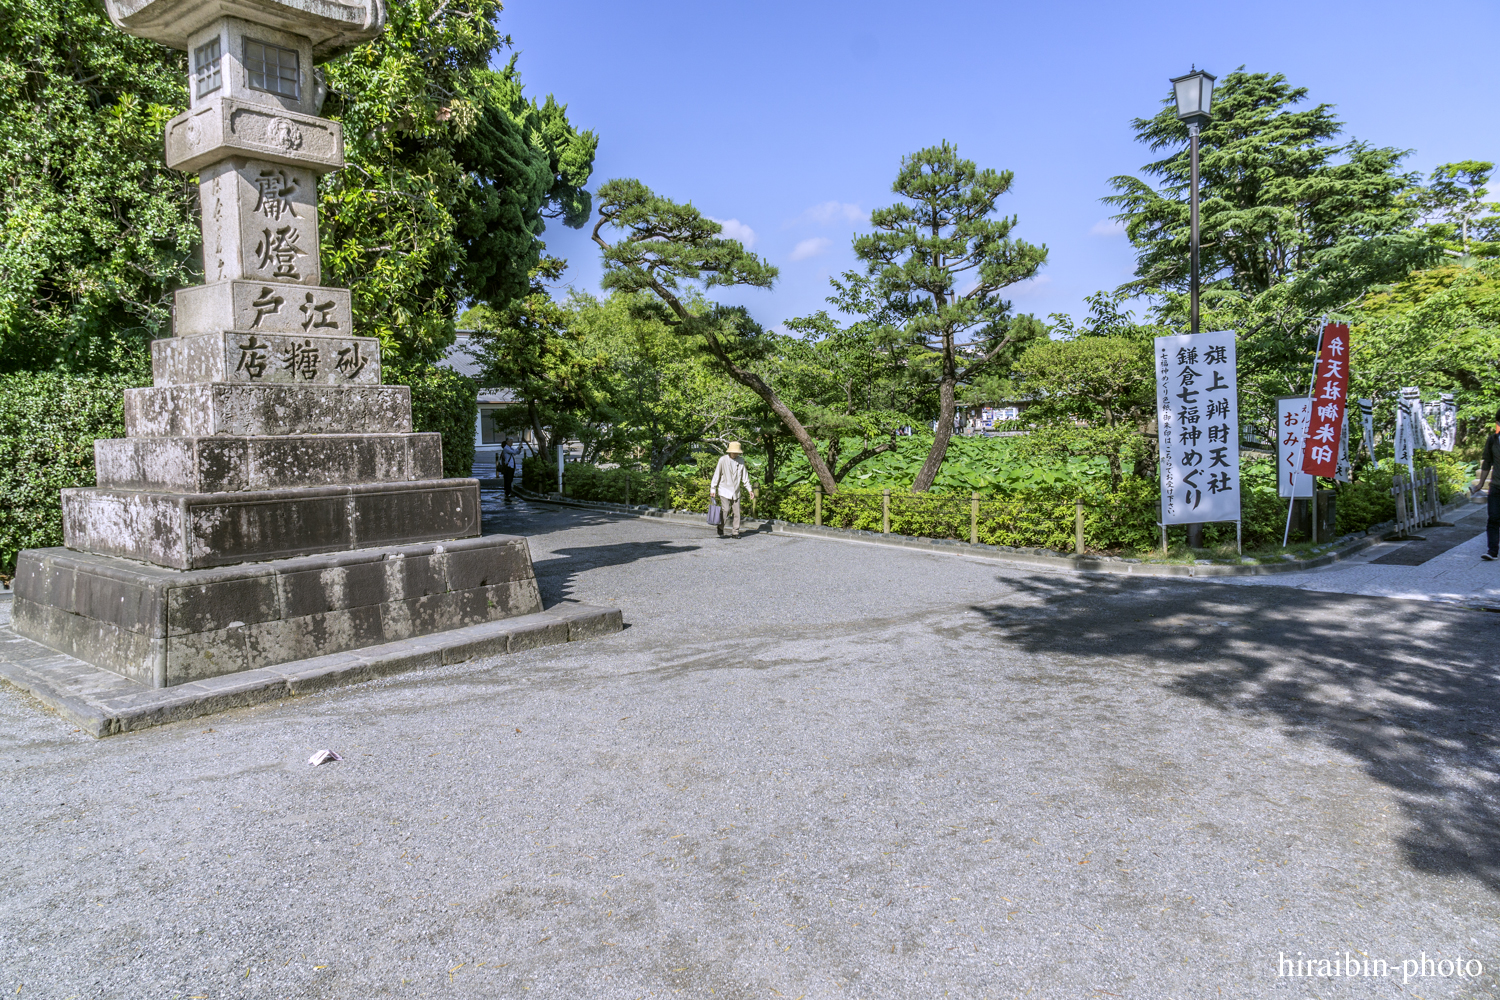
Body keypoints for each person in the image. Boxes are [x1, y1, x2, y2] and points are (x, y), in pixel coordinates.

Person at [710, 441, 757, 539]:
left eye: (737, 452)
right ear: (730, 451)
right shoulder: (722, 460)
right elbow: (716, 474)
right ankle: (720, 526)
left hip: (736, 490)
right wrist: (713, 488)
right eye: (733, 452)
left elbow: (745, 477)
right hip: (724, 489)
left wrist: (749, 490)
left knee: (737, 512)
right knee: (725, 510)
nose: (735, 454)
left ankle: (735, 532)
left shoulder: (741, 461)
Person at [1473, 408, 1500, 561]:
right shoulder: (1492, 440)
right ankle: (1492, 551)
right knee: (1493, 518)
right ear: (1498, 422)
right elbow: (1487, 463)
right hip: (1496, 485)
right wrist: (1481, 484)